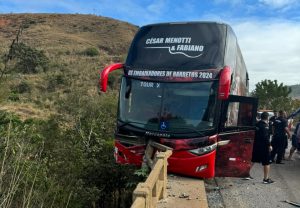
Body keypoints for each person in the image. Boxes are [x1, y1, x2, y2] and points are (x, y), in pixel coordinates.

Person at [251, 112, 274, 184]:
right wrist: (269, 145)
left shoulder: (257, 124)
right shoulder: (265, 126)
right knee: (267, 162)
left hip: (256, 145)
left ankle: (245, 174)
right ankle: (266, 179)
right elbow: (265, 137)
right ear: (267, 117)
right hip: (264, 147)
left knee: (253, 160)